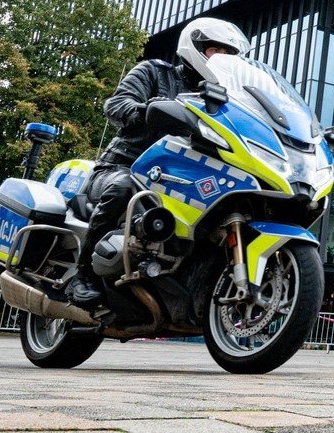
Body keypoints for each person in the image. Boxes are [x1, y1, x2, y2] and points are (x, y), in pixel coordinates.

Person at [66, 18, 251, 307]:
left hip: (180, 177)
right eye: (217, 51)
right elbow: (116, 105)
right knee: (123, 188)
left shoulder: (226, 100)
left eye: (229, 55)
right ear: (196, 48)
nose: (222, 59)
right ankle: (83, 275)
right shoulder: (155, 72)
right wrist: (149, 110)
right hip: (125, 166)